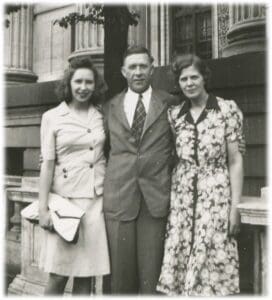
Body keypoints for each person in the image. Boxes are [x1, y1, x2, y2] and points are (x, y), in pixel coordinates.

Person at [156, 54, 244, 296]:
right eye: (183, 79)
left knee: (211, 259)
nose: (189, 83)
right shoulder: (175, 115)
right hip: (182, 196)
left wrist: (234, 208)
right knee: (182, 258)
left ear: (204, 77)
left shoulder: (226, 109)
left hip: (215, 193)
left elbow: (235, 161)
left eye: (194, 77)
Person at [102, 45, 178, 294]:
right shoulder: (109, 107)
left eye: (143, 66)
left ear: (152, 68)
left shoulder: (170, 103)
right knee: (121, 279)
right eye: (132, 67)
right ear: (124, 71)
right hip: (120, 198)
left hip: (155, 199)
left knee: (151, 278)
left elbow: (180, 149)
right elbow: (98, 150)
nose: (138, 72)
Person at [38, 57, 110, 295]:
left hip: (95, 202)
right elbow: (47, 165)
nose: (83, 87)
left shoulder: (101, 115)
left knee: (86, 276)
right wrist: (43, 209)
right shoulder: (52, 117)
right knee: (58, 275)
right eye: (78, 81)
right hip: (65, 203)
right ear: (68, 84)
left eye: (89, 82)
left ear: (95, 85)